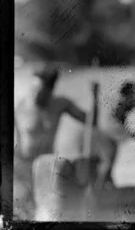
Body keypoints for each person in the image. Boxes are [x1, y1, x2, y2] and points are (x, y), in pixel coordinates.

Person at [14, 63, 89, 219]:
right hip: (22, 166)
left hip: (45, 167)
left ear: (51, 89)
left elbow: (89, 120)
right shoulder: (20, 106)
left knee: (47, 213)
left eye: (42, 90)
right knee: (22, 210)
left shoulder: (60, 103)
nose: (36, 93)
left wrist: (95, 98)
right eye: (34, 88)